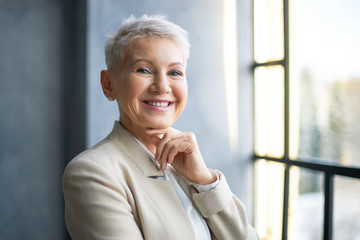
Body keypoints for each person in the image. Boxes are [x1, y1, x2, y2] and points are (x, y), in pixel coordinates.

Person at [62, 15, 258, 240]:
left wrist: (204, 182)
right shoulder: (91, 172)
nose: (162, 87)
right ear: (108, 84)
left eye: (175, 72)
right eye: (143, 70)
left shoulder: (187, 165)